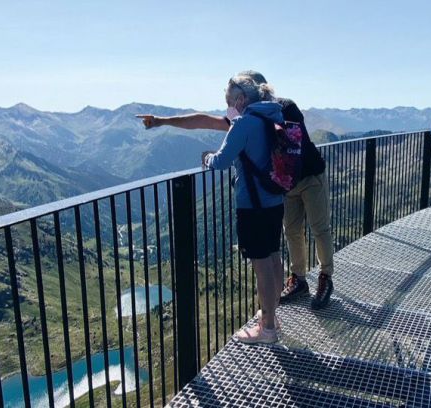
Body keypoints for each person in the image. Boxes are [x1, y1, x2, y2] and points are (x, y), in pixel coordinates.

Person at [137, 71, 335, 310]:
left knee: (318, 228)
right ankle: (299, 280)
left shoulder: (278, 110)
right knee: (292, 231)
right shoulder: (255, 116)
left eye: (232, 101)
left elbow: (290, 141)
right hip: (282, 184)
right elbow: (203, 120)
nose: (230, 108)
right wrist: (162, 120)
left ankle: (325, 277)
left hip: (309, 175)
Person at [202, 75, 285, 343]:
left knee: (261, 265)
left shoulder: (243, 123)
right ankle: (272, 316)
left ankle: (268, 328)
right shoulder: (274, 117)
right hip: (275, 200)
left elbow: (221, 161)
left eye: (229, 101)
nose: (228, 107)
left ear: (241, 99)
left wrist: (206, 158)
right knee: (274, 257)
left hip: (252, 205)